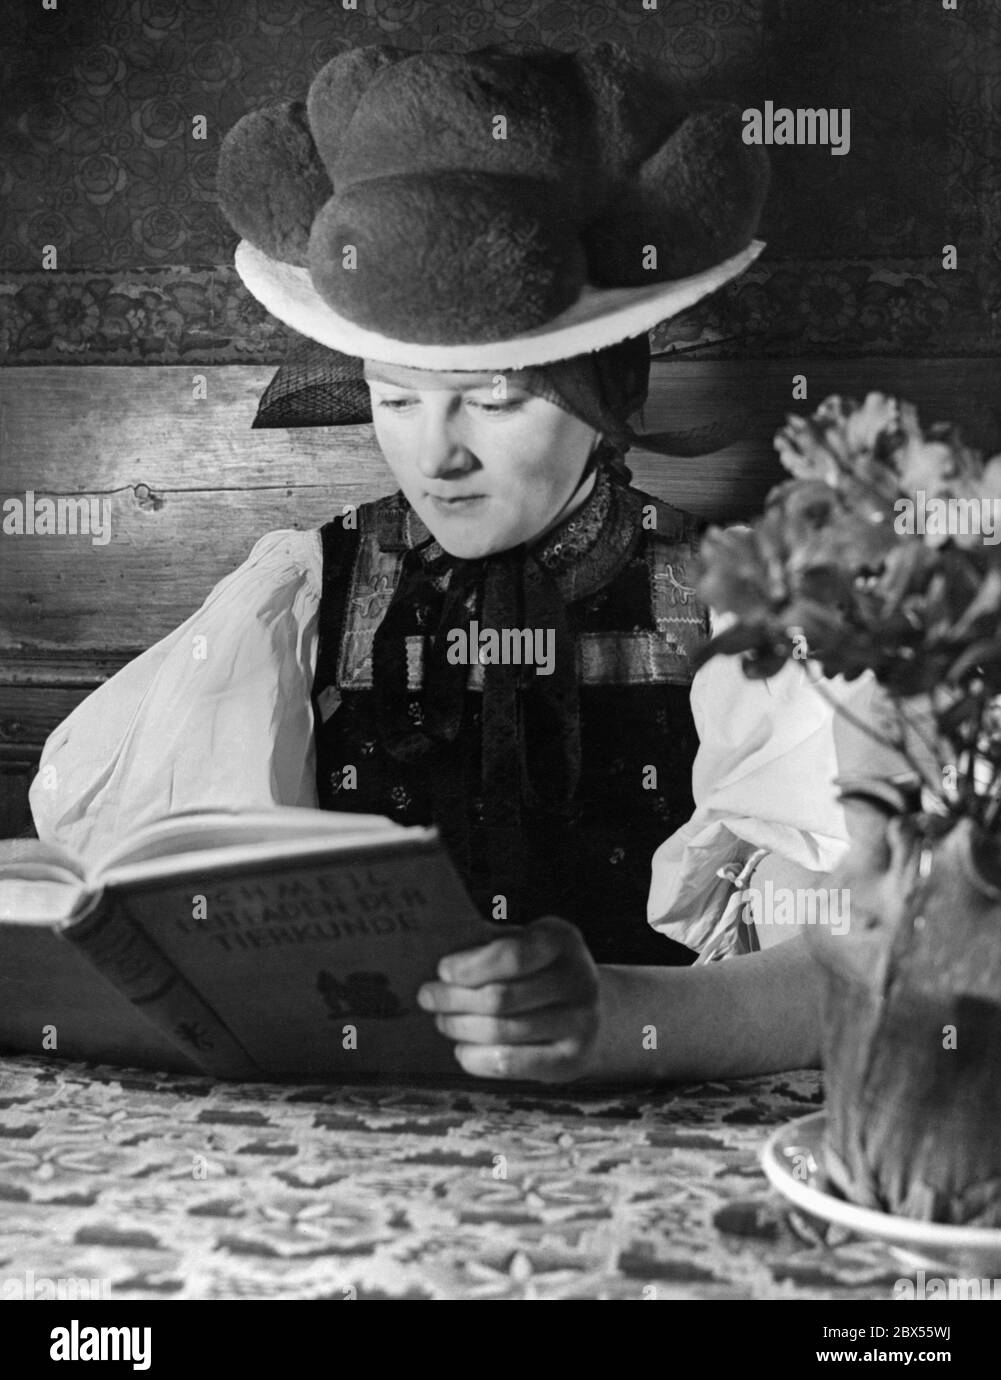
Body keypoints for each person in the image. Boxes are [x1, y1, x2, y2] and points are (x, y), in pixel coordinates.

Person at [27, 43, 881, 1084]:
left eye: (495, 401)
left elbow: (838, 977)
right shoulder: (301, 593)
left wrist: (618, 1020)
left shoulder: (740, 609)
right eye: (394, 398)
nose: (438, 452)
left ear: (600, 396)